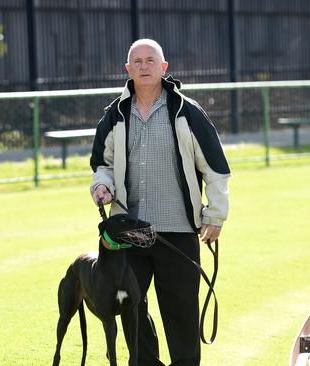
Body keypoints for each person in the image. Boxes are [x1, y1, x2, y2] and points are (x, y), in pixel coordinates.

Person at [90, 39, 230, 365]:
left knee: (181, 313)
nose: (143, 66)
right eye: (136, 61)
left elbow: (216, 168)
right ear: (127, 69)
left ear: (164, 67)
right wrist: (101, 186)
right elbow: (103, 165)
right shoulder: (115, 115)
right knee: (130, 306)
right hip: (129, 235)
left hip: (178, 233)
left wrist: (216, 215)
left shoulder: (187, 112)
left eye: (150, 60)